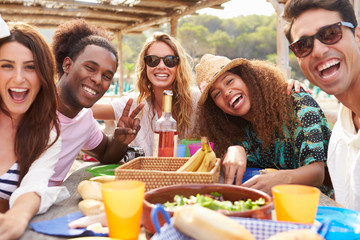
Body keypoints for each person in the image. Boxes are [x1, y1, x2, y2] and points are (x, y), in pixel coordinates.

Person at [195, 54, 332, 196]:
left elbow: (317, 173)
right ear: (216, 108)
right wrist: (233, 149)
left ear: (247, 78)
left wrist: (279, 178)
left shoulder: (297, 101)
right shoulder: (237, 128)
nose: (226, 92)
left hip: (318, 205)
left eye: (229, 81)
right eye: (216, 94)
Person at [283, 0, 360, 210]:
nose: (318, 51)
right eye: (303, 46)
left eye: (330, 33)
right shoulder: (339, 139)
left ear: (358, 37)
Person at [49, 19, 143, 186]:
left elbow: (107, 153)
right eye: (90, 68)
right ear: (68, 65)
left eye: (107, 76)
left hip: (46, 208)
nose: (98, 80)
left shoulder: (84, 120)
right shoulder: (30, 106)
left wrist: (120, 140)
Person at [0, 21, 68, 238]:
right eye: (6, 65)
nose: (19, 78)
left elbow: (34, 184)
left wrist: (18, 215)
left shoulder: (48, 134)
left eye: (30, 67)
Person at [92, 32, 199, 156]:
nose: (161, 66)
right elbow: (87, 110)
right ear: (145, 66)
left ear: (178, 66)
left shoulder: (196, 101)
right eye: (153, 60)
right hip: (144, 176)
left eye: (169, 60)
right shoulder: (134, 104)